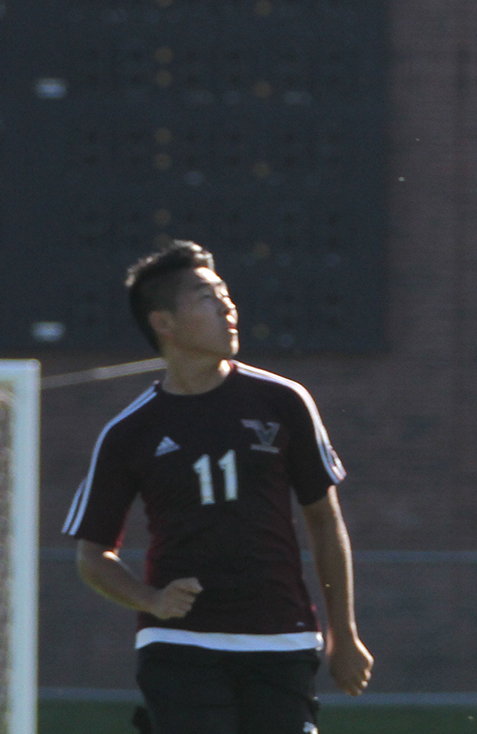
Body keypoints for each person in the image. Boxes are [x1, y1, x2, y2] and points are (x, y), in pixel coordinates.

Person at [62, 240, 373, 733]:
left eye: (226, 294)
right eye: (208, 297)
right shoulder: (129, 432)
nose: (228, 306)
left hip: (280, 639)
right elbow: (92, 555)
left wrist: (345, 634)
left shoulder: (284, 401)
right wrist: (152, 600)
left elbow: (324, 522)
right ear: (164, 322)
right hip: (180, 646)